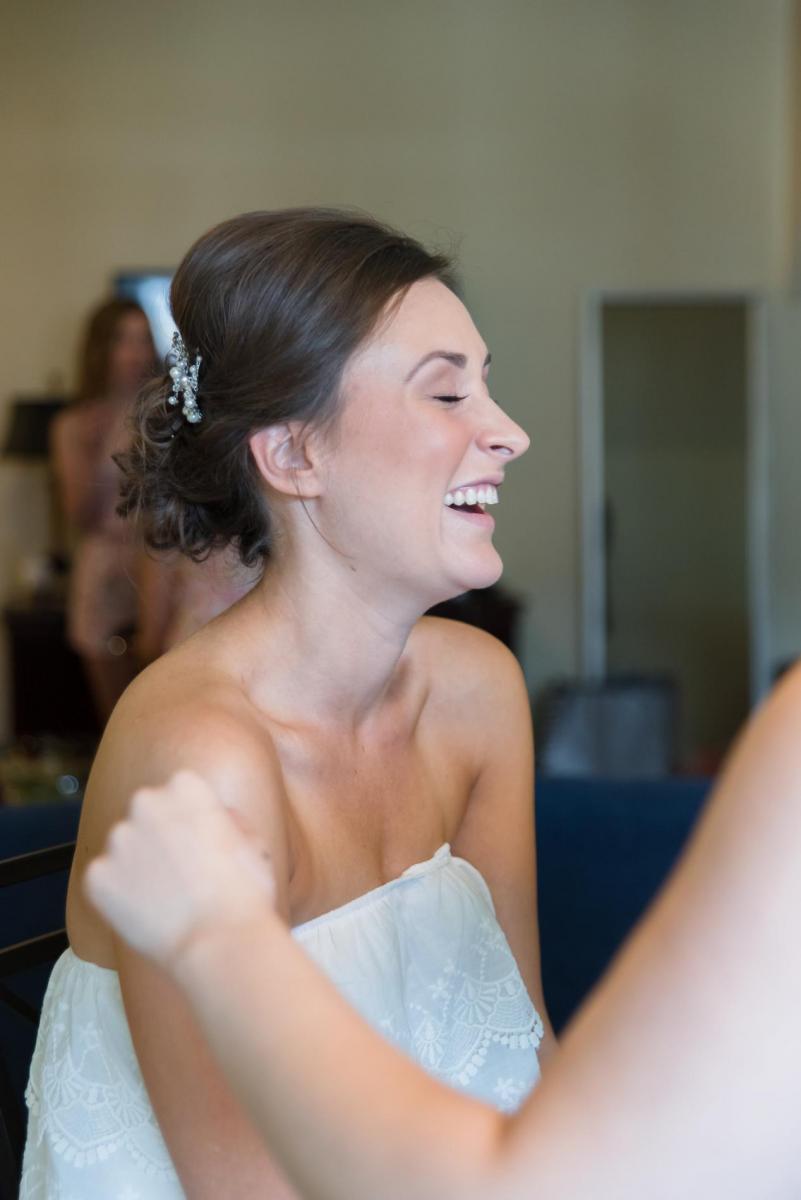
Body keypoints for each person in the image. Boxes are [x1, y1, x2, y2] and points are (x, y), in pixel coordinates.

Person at [20, 209, 554, 1200]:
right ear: (295, 456)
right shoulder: (204, 756)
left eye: (486, 384)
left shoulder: (478, 693)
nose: (508, 432)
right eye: (447, 392)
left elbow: (524, 1051)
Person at [83, 653, 801, 1200]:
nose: (508, 453)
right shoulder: (205, 747)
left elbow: (542, 1175)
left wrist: (218, 939)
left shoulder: (476, 689)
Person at [50, 298, 157, 721]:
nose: (135, 353)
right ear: (101, 349)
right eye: (122, 340)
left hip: (158, 568)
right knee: (113, 716)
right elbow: (79, 516)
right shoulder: (74, 424)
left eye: (143, 339)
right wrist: (95, 453)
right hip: (104, 571)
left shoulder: (165, 417)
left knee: (158, 709)